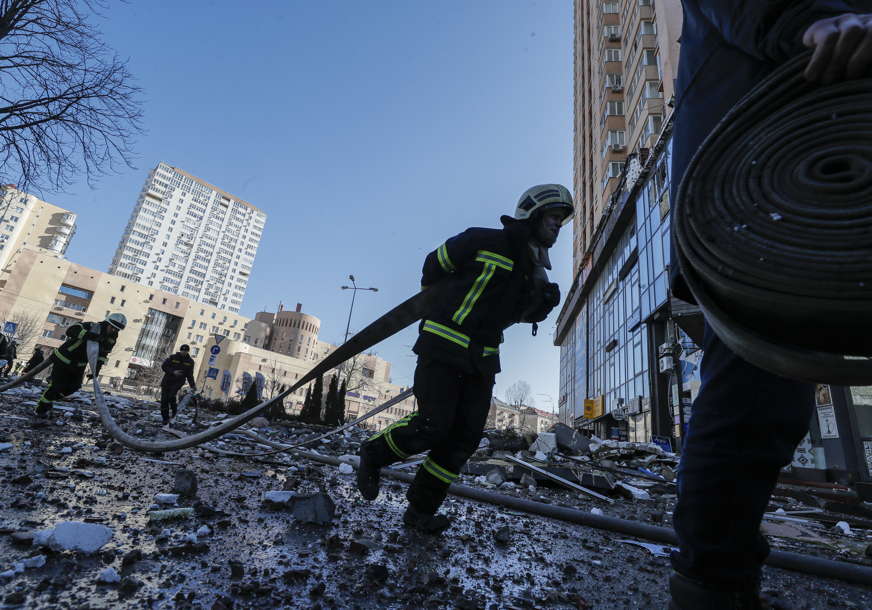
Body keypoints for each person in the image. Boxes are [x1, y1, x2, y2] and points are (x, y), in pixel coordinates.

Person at [668, 6, 872, 608]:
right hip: (755, 194)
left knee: (757, 401)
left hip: (821, 169)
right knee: (753, 401)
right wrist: (816, 18)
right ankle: (712, 588)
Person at [356, 184, 573, 533]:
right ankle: (373, 454)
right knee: (433, 425)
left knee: (464, 439)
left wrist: (542, 304)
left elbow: (518, 314)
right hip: (442, 346)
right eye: (552, 217)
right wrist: (442, 302)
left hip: (482, 361)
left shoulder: (533, 272)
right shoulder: (481, 240)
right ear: (531, 215)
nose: (557, 226)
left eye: (561, 221)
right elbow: (434, 265)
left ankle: (420, 511)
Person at [35, 313, 126, 418]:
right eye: (113, 328)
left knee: (75, 387)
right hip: (64, 359)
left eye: (117, 330)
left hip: (79, 365)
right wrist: (88, 335)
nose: (114, 331)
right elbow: (70, 330)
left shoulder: (112, 338)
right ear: (107, 323)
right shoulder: (92, 326)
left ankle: (50, 396)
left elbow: (103, 354)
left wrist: (97, 369)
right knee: (57, 387)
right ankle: (41, 410)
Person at [159, 344, 196, 426]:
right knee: (164, 400)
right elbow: (164, 366)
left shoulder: (190, 362)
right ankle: (165, 418)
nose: (184, 352)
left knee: (171, 396)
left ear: (188, 351)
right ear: (180, 350)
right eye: (183, 350)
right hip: (167, 381)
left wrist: (193, 385)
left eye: (186, 351)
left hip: (178, 382)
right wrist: (173, 372)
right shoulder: (173, 357)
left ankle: (174, 412)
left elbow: (190, 375)